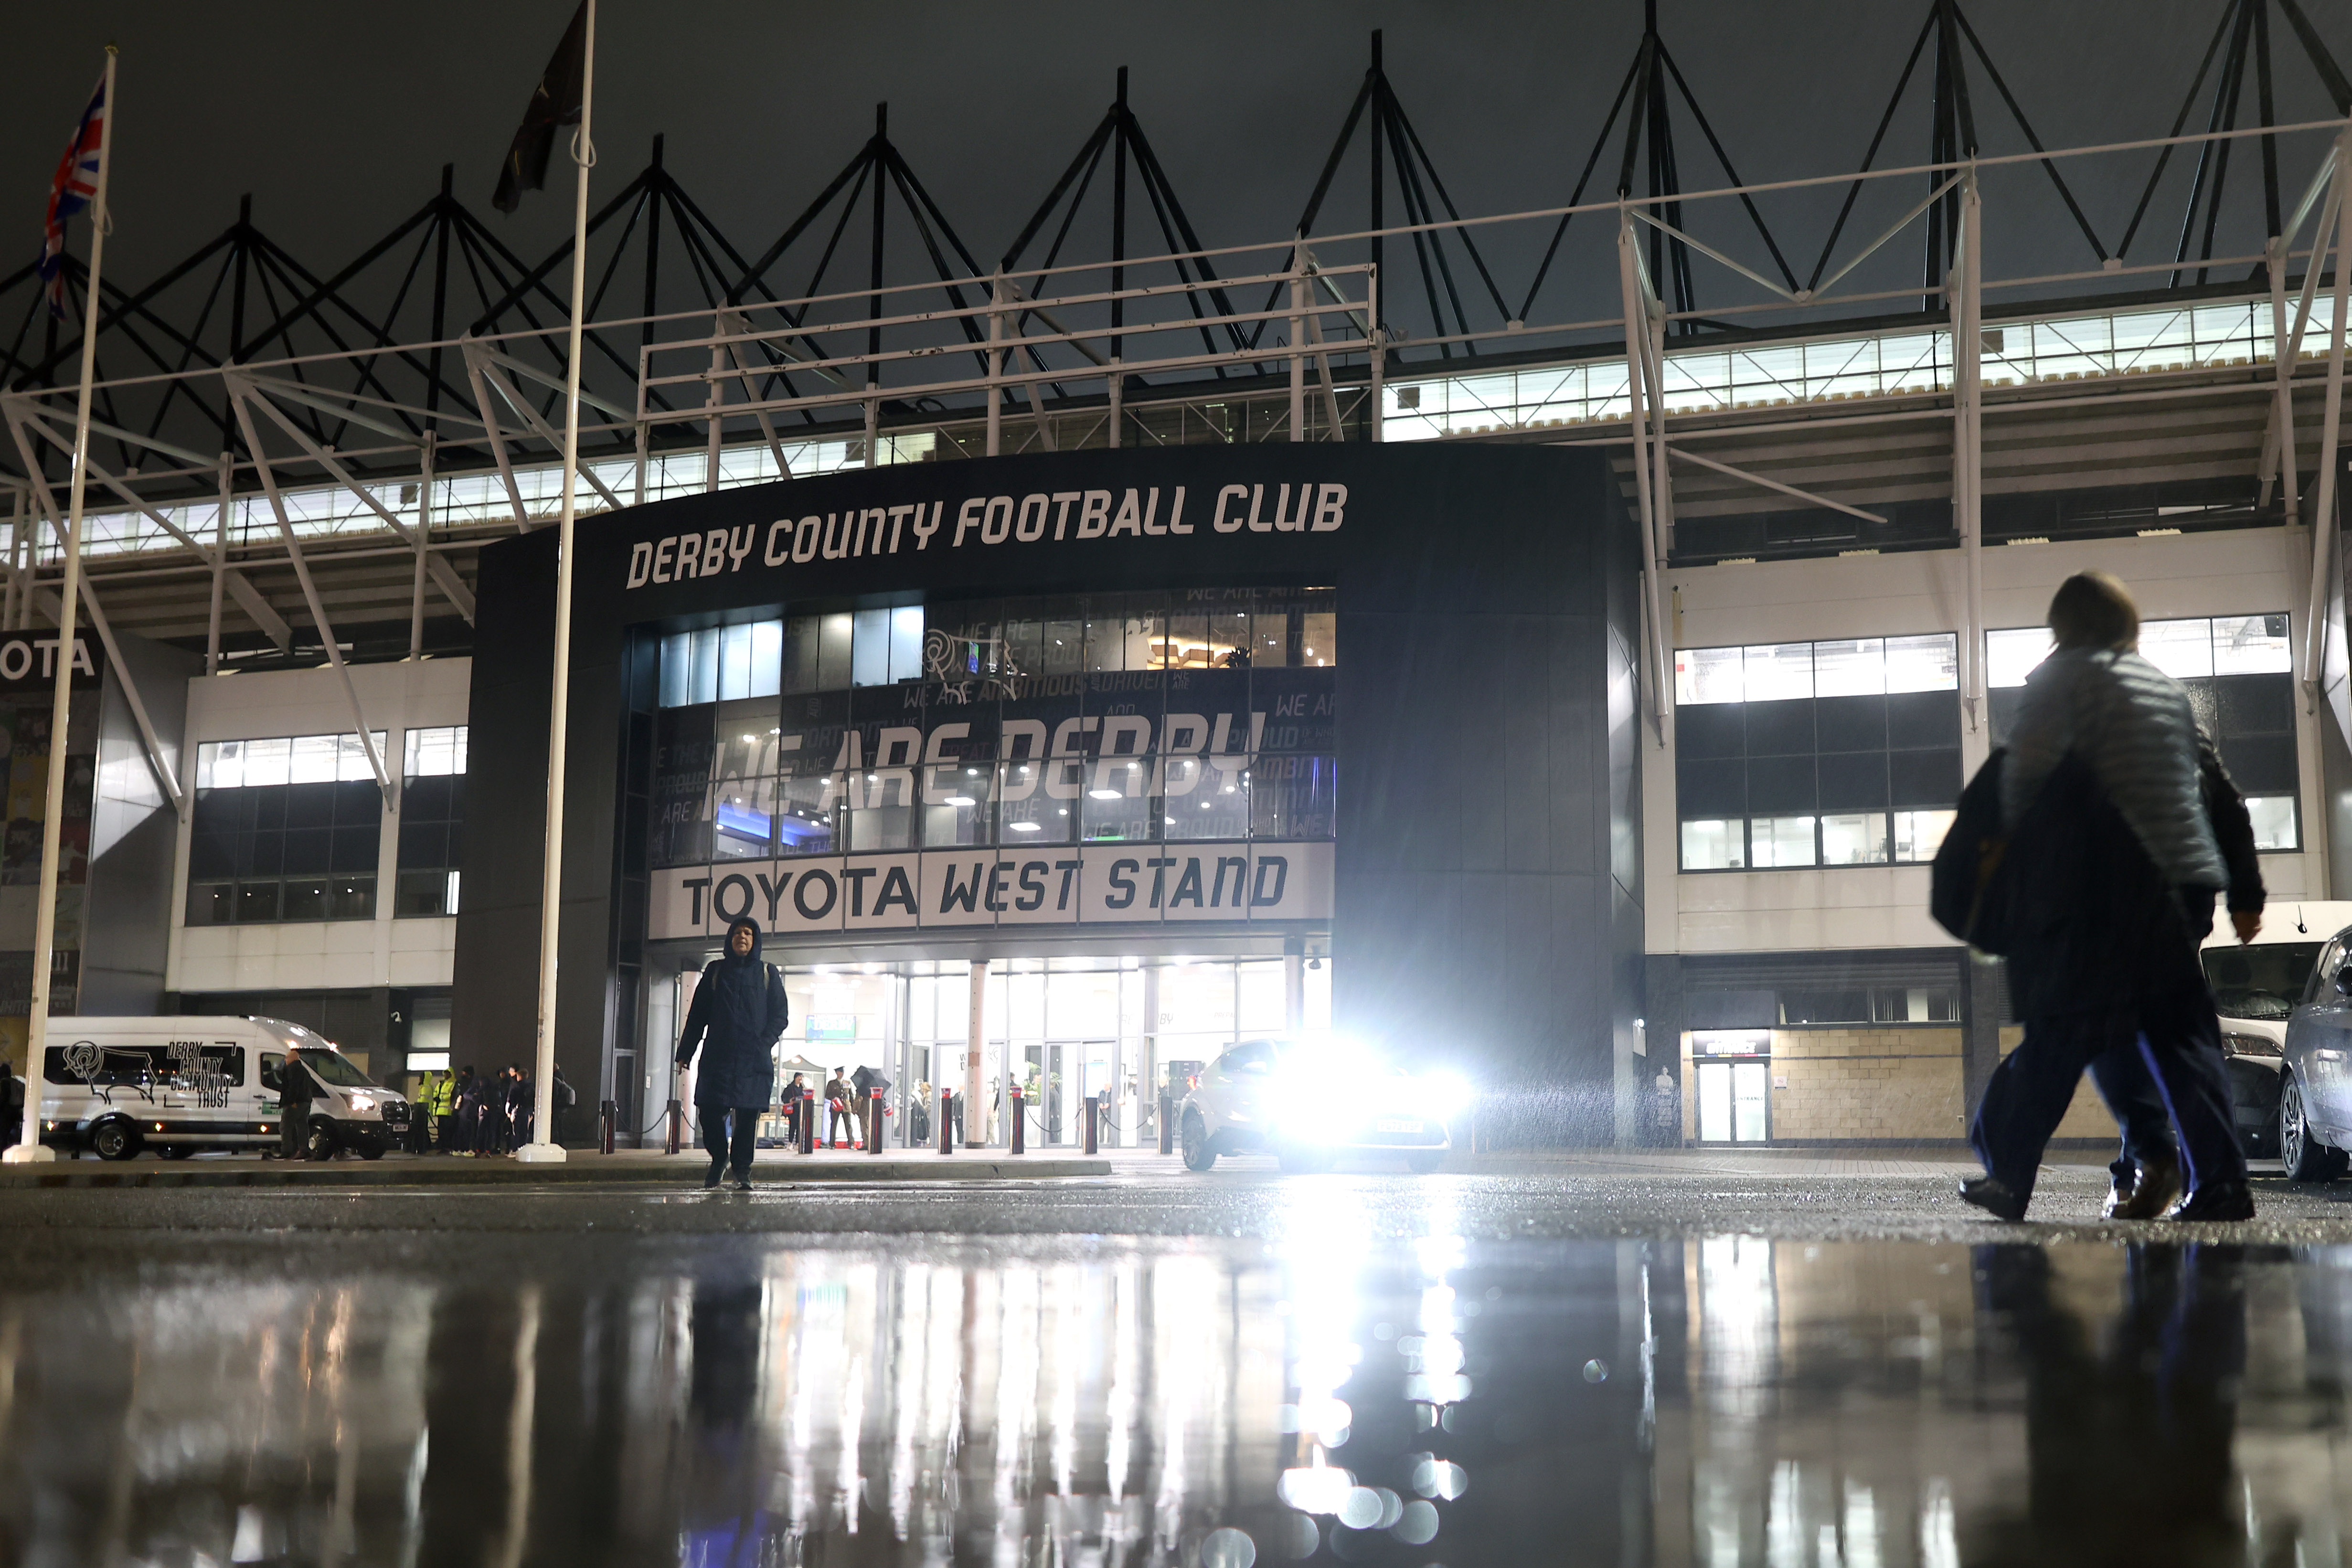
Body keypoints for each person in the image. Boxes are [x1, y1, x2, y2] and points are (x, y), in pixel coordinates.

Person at [1962, 571, 2252, 1222]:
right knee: (2167, 1041)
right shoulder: (2165, 695)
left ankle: (2023, 1173)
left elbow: (2023, 785)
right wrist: (2243, 890)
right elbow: (2223, 797)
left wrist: (2007, 876)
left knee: (2063, 1038)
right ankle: (2205, 1177)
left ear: (2065, 627)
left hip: (2098, 901)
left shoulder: (2057, 682)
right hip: (2178, 898)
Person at [2090, 730, 2266, 1218]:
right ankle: (2201, 1178)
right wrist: (2244, 892)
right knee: (2180, 1038)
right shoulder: (2174, 710)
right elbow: (2229, 805)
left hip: (2135, 893)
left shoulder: (2091, 706)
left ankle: (2158, 1169)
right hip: (2186, 891)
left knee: (2123, 1035)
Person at [676, 917, 788, 1190]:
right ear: (730, 939)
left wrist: (764, 1043)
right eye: (738, 933)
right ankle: (719, 1159)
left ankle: (742, 1170)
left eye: (748, 933)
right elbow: (697, 1016)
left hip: (753, 1059)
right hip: (718, 1057)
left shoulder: (767, 973)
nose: (743, 937)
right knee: (708, 1111)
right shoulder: (715, 971)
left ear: (756, 940)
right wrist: (685, 1052)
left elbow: (780, 1016)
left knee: (747, 1118)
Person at [278, 1048, 315, 1161]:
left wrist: (291, 1101)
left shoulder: (292, 1069)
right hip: (306, 1101)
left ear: (292, 1059)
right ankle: (304, 1150)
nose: (286, 1060)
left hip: (296, 1102)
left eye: (287, 1058)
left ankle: (287, 1151)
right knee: (302, 1126)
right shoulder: (303, 1069)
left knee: (285, 1127)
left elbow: (293, 1086)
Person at [851, 1062, 891, 1147]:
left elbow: (858, 1100)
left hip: (864, 1109)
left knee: (864, 1126)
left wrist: (855, 1109)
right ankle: (872, 1143)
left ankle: (866, 1144)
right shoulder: (876, 1087)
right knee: (871, 1126)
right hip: (873, 1109)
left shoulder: (862, 1087)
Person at [452, 1065, 480, 1156]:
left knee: (461, 1130)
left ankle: (459, 1149)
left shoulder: (461, 1083)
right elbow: (468, 1095)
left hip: (461, 1110)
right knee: (469, 1131)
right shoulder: (472, 1083)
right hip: (467, 1110)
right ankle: (467, 1149)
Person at [428, 1068, 458, 1153]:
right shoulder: (441, 1083)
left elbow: (451, 1095)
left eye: (447, 1074)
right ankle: (443, 1147)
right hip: (440, 1111)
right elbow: (435, 1093)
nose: (445, 1075)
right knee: (441, 1131)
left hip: (448, 1111)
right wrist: (436, 1098)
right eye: (444, 1074)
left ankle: (447, 1147)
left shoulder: (453, 1083)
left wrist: (440, 1098)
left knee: (447, 1131)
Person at [824, 1068, 853, 1147]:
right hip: (836, 1105)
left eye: (843, 1072)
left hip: (846, 1106)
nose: (842, 1073)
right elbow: (827, 1095)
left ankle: (851, 1143)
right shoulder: (832, 1083)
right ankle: (832, 1143)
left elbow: (851, 1095)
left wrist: (853, 1108)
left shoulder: (847, 1082)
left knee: (848, 1125)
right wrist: (834, 1098)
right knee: (834, 1124)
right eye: (841, 1072)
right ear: (837, 1073)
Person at [551, 1062, 576, 1145]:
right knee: (560, 1126)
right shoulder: (561, 1079)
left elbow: (555, 1095)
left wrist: (552, 1106)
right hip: (563, 1107)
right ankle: (561, 1143)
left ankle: (556, 1143)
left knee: (555, 1127)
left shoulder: (555, 1080)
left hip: (557, 1107)